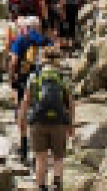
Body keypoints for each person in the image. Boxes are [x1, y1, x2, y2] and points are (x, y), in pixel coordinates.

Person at [18, 50, 75, 191]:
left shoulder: (35, 76)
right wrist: (71, 124)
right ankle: (56, 185)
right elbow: (71, 103)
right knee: (58, 158)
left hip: (38, 121)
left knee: (40, 159)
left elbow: (26, 101)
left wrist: (22, 120)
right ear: (58, 60)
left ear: (42, 59)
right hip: (59, 122)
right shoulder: (63, 77)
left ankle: (41, 186)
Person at [8, 15, 53, 164]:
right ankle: (39, 148)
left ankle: (24, 146)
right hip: (43, 80)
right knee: (38, 111)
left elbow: (14, 61)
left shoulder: (21, 40)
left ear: (26, 27)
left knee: (22, 110)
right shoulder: (45, 40)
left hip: (24, 79)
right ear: (38, 27)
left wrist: (12, 77)